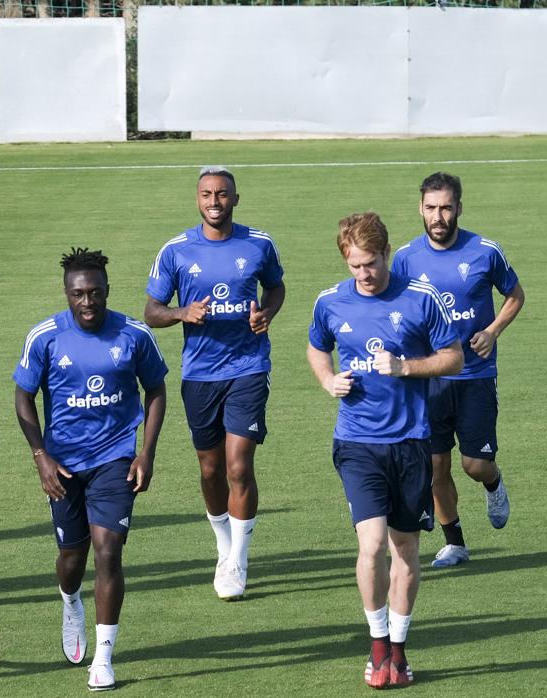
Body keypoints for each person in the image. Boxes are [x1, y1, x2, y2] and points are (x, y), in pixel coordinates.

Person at [307, 212, 462, 689]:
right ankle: (377, 645)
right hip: (357, 443)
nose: (364, 275)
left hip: (411, 443)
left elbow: (454, 357)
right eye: (355, 266)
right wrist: (328, 379)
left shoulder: (420, 300)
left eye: (371, 264)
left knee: (406, 550)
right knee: (371, 546)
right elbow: (316, 348)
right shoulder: (330, 302)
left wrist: (405, 368)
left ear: (387, 254)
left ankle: (398, 649)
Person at [15, 248, 167, 691]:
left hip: (114, 459)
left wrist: (146, 453)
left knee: (108, 552)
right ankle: (69, 602)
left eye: (95, 293)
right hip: (62, 465)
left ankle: (102, 658)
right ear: (67, 293)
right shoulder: (44, 337)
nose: (87, 302)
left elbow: (155, 389)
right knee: (71, 558)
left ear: (106, 290)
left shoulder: (134, 335)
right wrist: (41, 456)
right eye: (78, 294)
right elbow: (23, 396)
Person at [144, 166, 284, 600]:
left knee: (239, 464)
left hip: (248, 367)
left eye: (222, 194)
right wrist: (181, 314)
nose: (214, 201)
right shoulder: (176, 251)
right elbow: (151, 310)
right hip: (200, 373)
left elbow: (276, 288)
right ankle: (223, 545)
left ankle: (238, 559)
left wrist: (267, 312)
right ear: (197, 199)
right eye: (207, 194)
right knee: (210, 469)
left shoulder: (258, 243)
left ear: (235, 199)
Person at [391, 172, 524, 568]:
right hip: (428, 379)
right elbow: (397, 312)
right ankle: (455, 542)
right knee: (435, 465)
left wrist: (493, 330)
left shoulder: (485, 251)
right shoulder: (405, 258)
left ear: (459, 208)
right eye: (431, 208)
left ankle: (494, 483)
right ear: (420, 209)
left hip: (475, 376)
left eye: (446, 207)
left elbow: (515, 294)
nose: (438, 216)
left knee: (474, 464)